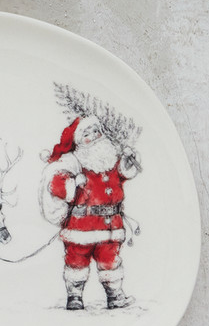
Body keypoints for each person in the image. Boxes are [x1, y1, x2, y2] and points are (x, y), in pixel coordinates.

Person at [41, 114, 140, 310]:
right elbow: (55, 184)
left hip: (110, 226)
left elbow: (121, 175)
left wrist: (128, 163)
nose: (94, 136)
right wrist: (73, 183)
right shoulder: (74, 162)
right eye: (87, 134)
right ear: (79, 141)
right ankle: (75, 296)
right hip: (81, 227)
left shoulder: (109, 159)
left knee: (110, 260)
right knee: (77, 260)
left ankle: (115, 295)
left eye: (96, 131)